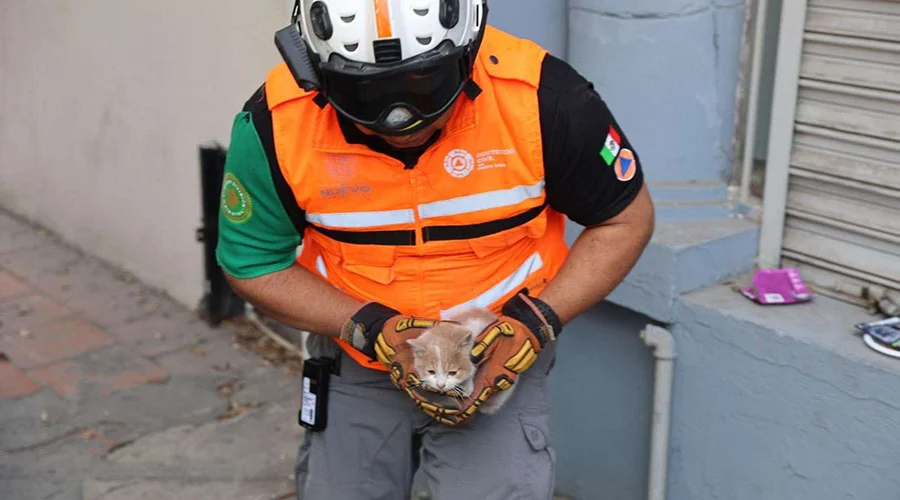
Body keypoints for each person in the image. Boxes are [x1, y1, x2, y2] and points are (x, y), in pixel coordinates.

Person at [216, 0, 654, 498]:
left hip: (498, 356)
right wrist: (369, 327)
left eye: (426, 84)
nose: (399, 119)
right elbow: (252, 263)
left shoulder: (543, 98)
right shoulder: (276, 122)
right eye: (364, 92)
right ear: (313, 70)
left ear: (467, 52)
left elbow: (625, 219)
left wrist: (535, 324)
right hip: (356, 354)